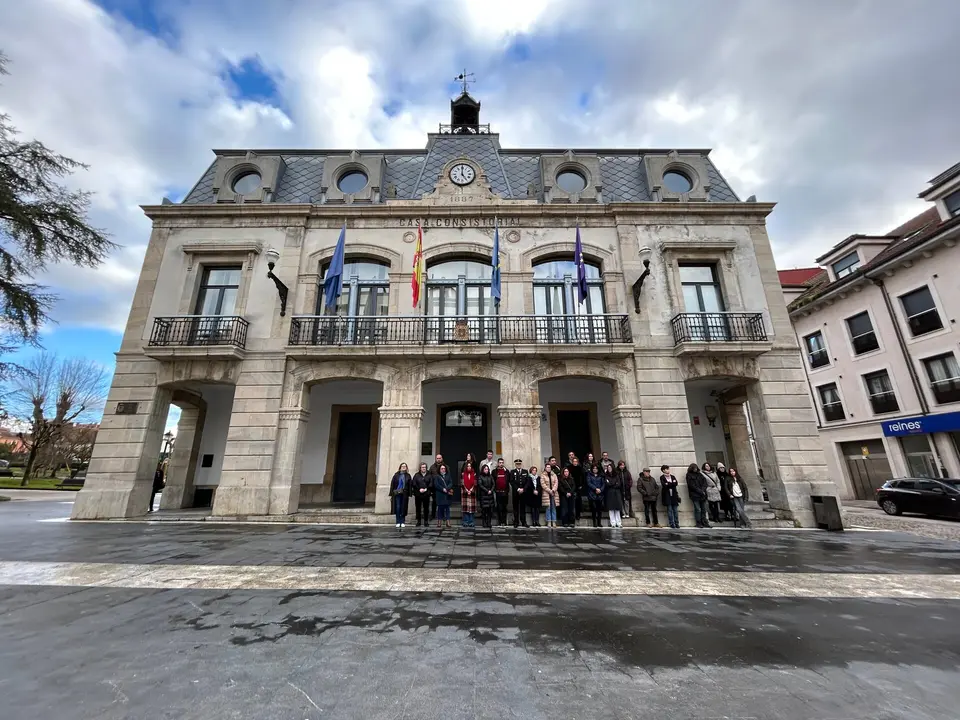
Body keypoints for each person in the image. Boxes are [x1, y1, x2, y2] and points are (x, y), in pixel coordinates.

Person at [686, 462, 711, 529]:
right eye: (694, 468)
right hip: (695, 495)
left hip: (702, 495)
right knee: (698, 509)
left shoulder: (700, 474)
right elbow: (691, 485)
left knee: (703, 509)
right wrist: (700, 491)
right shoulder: (689, 475)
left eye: (696, 468)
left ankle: (704, 522)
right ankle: (698, 522)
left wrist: (702, 490)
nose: (695, 469)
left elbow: (705, 483)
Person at [509, 459, 530, 528]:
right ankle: (516, 522)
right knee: (515, 508)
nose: (518, 465)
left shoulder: (525, 471)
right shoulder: (512, 472)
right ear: (515, 464)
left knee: (523, 508)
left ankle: (524, 522)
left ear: (521, 464)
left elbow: (527, 482)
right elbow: (511, 481)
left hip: (523, 493)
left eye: (519, 464)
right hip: (516, 493)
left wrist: (523, 489)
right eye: (517, 464)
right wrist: (518, 489)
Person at [389, 463, 411, 528]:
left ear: (406, 468)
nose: (404, 467)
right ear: (400, 467)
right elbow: (392, 484)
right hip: (397, 493)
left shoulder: (408, 475)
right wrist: (391, 493)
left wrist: (410, 493)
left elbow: (410, 485)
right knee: (398, 507)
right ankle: (398, 521)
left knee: (403, 507)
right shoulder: (396, 475)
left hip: (404, 493)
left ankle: (403, 521)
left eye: (405, 466)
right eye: (402, 466)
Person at [411, 462, 432, 527]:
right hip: (418, 494)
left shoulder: (429, 475)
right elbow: (414, 484)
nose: (423, 468)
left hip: (426, 494)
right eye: (422, 467)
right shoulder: (416, 475)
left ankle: (426, 521)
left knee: (426, 508)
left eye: (424, 467)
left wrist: (426, 489)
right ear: (420, 468)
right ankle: (419, 521)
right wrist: (419, 489)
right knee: (418, 508)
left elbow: (431, 483)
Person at [434, 463, 453, 529]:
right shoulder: (437, 476)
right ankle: (439, 522)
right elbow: (436, 485)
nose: (443, 470)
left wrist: (447, 488)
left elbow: (451, 483)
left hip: (447, 495)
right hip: (440, 494)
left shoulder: (448, 475)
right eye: (441, 468)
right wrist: (442, 489)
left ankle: (448, 522)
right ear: (439, 469)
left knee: (447, 509)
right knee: (440, 509)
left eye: (444, 468)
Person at [586, 463, 605, 528]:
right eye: (594, 468)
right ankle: (594, 522)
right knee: (593, 509)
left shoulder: (601, 476)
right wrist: (595, 489)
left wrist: (600, 490)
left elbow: (603, 484)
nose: (595, 469)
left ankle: (599, 522)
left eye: (596, 468)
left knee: (599, 509)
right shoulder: (589, 475)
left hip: (600, 494)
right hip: (592, 494)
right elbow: (589, 483)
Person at [477, 464, 496, 529]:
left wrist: (491, 490)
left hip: (490, 496)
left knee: (490, 511)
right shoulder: (480, 477)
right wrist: (487, 490)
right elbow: (480, 485)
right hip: (484, 496)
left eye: (487, 469)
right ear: (483, 470)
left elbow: (493, 484)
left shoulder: (490, 476)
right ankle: (484, 522)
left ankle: (489, 522)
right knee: (484, 511)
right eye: (485, 469)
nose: (486, 470)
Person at [567, 456, 585, 521]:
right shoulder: (569, 468)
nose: (575, 463)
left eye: (576, 461)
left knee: (578, 501)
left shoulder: (580, 468)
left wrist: (581, 485)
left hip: (578, 487)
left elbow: (583, 477)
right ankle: (571, 515)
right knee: (571, 502)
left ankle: (578, 515)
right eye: (574, 461)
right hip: (570, 486)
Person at [460, 462, 477, 528]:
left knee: (471, 509)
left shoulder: (474, 474)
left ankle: (471, 522)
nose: (469, 467)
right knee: (465, 508)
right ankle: (465, 521)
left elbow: (475, 483)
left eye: (470, 466)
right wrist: (467, 490)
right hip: (465, 493)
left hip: (472, 493)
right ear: (466, 467)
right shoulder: (463, 474)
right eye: (468, 466)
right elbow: (462, 483)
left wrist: (471, 490)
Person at [428, 453, 444, 521]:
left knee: (442, 502)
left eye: (439, 458)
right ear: (435, 459)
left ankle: (442, 516)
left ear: (442, 458)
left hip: (442, 488)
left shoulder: (445, 466)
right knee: (434, 502)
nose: (438, 459)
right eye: (437, 458)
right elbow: (429, 477)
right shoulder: (432, 467)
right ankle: (433, 515)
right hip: (434, 487)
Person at [493, 458, 509, 526]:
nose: (501, 464)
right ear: (498, 463)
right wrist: (495, 489)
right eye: (500, 462)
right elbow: (493, 481)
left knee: (504, 507)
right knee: (499, 507)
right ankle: (500, 521)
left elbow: (508, 480)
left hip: (505, 492)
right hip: (498, 492)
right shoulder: (494, 471)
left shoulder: (507, 471)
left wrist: (505, 471)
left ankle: (504, 521)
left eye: (502, 462)